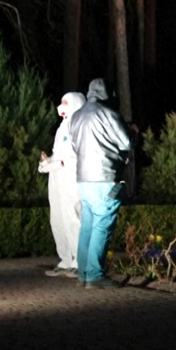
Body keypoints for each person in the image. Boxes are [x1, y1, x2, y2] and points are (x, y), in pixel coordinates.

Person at [69, 78, 132, 289]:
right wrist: (132, 131)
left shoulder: (76, 116)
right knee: (102, 226)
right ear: (108, 94)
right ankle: (95, 275)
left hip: (83, 178)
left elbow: (75, 146)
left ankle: (83, 274)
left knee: (87, 226)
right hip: (106, 177)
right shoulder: (109, 114)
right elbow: (125, 142)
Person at [38, 92, 86, 278]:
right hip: (57, 181)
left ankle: (79, 261)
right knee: (57, 220)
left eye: (65, 103)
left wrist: (53, 165)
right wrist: (46, 162)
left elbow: (74, 159)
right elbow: (58, 156)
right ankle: (65, 259)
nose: (61, 106)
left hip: (70, 181)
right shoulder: (61, 128)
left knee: (72, 220)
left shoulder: (78, 127)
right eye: (61, 102)